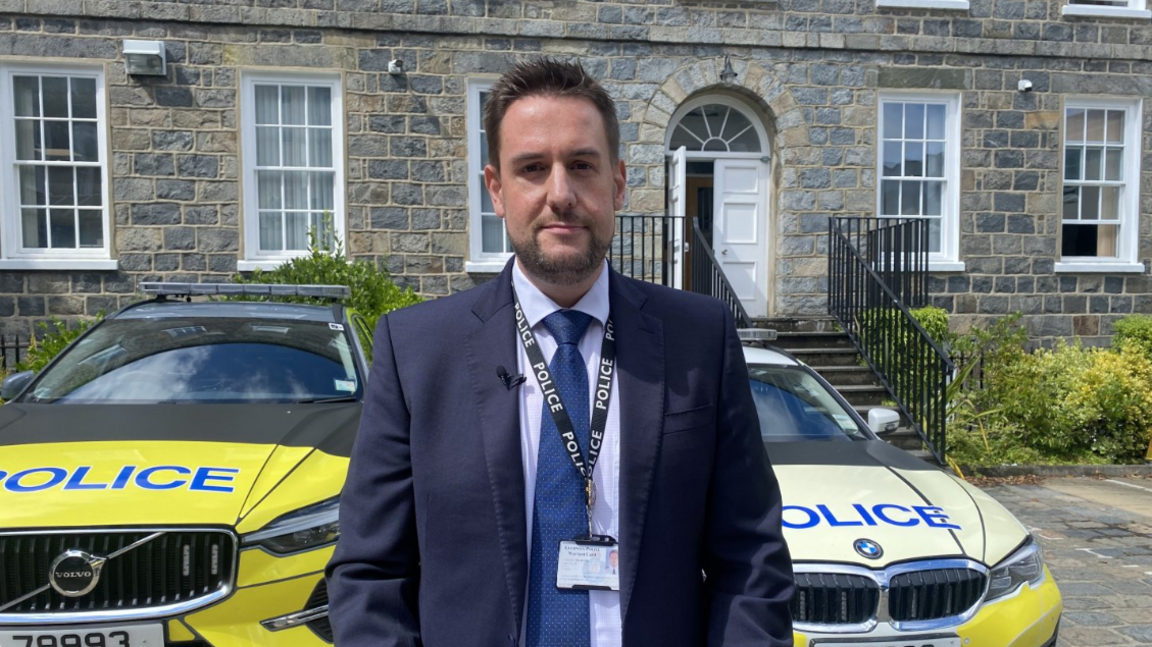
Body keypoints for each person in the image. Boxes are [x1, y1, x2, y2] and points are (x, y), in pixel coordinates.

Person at [326, 58, 794, 647]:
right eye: (531, 168)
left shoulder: (700, 338)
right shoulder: (416, 350)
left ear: (618, 183)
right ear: (497, 189)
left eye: (581, 165)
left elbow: (751, 559)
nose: (560, 194)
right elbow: (370, 574)